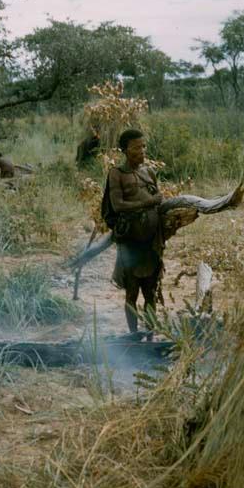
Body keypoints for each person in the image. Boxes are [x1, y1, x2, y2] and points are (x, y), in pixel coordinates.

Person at [107, 129, 164, 338]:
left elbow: (158, 201)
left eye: (143, 146)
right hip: (130, 244)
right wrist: (148, 202)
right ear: (125, 150)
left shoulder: (149, 172)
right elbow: (118, 205)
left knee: (150, 293)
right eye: (136, 147)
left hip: (151, 244)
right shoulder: (117, 174)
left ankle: (151, 335)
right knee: (132, 293)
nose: (142, 151)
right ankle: (133, 336)